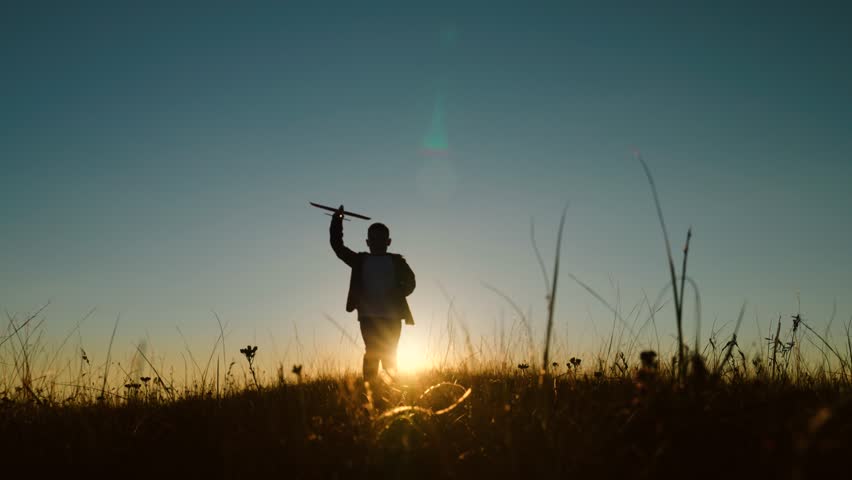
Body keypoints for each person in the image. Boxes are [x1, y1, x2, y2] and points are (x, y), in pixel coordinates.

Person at [328, 205, 415, 384]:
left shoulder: (397, 261)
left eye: (381, 238)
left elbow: (411, 282)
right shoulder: (360, 260)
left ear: (388, 241)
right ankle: (371, 392)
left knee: (390, 353)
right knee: (372, 352)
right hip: (369, 317)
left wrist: (398, 293)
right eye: (373, 238)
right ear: (367, 241)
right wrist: (337, 221)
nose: (376, 242)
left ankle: (392, 393)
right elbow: (338, 247)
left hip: (393, 317)